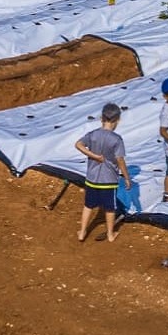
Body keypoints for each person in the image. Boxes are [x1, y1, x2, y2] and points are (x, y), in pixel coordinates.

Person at [74, 102, 132, 242]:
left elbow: (78, 144)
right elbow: (120, 160)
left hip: (92, 178)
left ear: (101, 118)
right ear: (117, 120)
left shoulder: (93, 135)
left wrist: (93, 156)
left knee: (88, 205)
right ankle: (110, 234)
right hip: (109, 181)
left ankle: (82, 232)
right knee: (110, 208)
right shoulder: (116, 139)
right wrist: (126, 177)